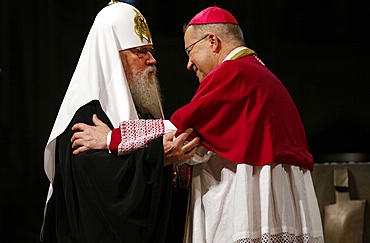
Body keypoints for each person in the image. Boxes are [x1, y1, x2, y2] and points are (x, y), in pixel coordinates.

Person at [73, 5, 325, 243]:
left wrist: (110, 138)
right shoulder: (261, 74)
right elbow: (208, 144)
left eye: (190, 51)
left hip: (247, 202)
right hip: (283, 202)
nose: (189, 64)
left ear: (213, 42)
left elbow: (179, 130)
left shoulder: (233, 73)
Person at [40, 1, 199, 242]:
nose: (151, 60)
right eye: (139, 52)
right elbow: (106, 191)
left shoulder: (142, 110)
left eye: (151, 51)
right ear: (111, 56)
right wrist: (158, 157)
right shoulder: (86, 115)